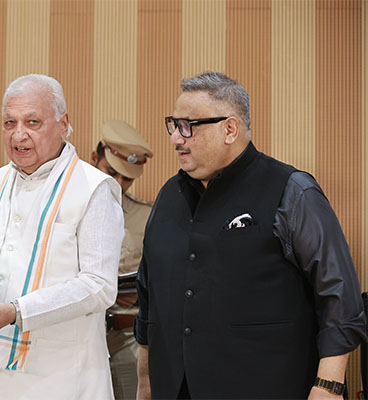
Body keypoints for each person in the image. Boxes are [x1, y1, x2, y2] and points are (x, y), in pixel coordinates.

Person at [135, 71, 367, 399]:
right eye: (173, 125)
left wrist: (329, 385)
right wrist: (145, 379)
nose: (175, 138)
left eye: (188, 126)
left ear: (229, 129)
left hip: (267, 384)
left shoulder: (292, 191)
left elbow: (338, 294)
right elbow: (149, 294)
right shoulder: (168, 196)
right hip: (175, 388)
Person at [0, 74, 124, 399]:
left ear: (63, 124)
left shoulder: (93, 188)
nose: (18, 134)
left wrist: (18, 311)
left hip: (60, 375)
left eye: (32, 122)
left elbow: (100, 286)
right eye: (10, 122)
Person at [90, 120, 152, 400]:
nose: (118, 184)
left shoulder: (147, 218)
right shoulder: (64, 210)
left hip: (128, 338)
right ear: (95, 157)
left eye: (127, 178)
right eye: (111, 172)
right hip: (80, 335)